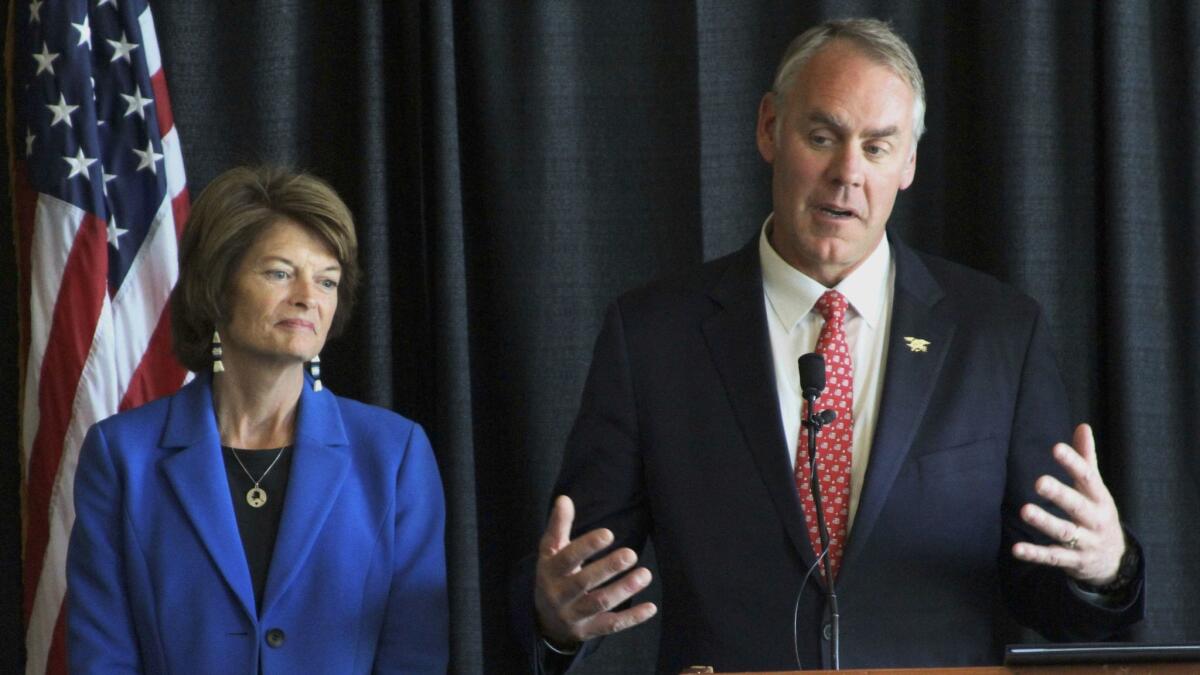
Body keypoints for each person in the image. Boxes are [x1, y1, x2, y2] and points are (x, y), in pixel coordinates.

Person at [515, 18, 1144, 674]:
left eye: (877, 148)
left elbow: (1053, 599)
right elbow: (575, 573)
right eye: (823, 136)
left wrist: (1106, 567)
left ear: (909, 164)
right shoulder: (650, 335)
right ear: (768, 129)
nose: (848, 173)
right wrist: (555, 616)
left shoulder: (999, 336)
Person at [67, 166, 448, 673]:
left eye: (327, 280)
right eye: (280, 272)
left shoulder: (395, 454)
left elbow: (414, 656)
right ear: (218, 286)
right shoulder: (121, 456)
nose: (308, 297)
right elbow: (103, 656)